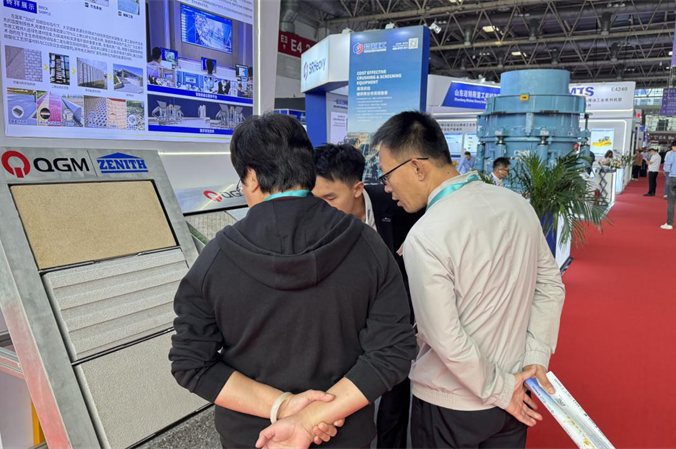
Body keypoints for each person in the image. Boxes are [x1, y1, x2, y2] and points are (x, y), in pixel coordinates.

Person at [170, 114, 416, 449]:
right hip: (344, 435)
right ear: (306, 170)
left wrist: (282, 406)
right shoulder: (367, 244)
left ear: (251, 178)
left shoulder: (216, 258)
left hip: (254, 439)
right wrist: (312, 416)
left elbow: (191, 363)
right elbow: (393, 350)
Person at [372, 111, 566, 449]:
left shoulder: (426, 234)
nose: (386, 187)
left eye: (387, 175)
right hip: (516, 388)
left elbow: (444, 337)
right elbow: (549, 286)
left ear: (417, 167)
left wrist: (500, 389)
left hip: (452, 403)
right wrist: (535, 357)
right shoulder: (517, 205)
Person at [312, 143, 422, 449]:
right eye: (314, 198)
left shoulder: (397, 206)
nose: (320, 208)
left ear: (358, 188)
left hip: (395, 320)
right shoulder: (314, 221)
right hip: (345, 322)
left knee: (393, 401)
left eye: (330, 198)